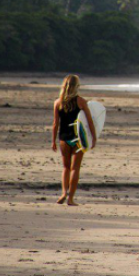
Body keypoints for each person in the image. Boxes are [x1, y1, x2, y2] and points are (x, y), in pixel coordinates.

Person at [51, 75, 96, 206]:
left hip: (64, 138)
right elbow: (89, 120)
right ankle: (70, 198)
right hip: (78, 139)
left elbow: (55, 124)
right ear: (76, 87)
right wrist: (93, 137)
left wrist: (53, 140)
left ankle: (64, 192)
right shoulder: (81, 101)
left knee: (65, 167)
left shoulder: (57, 102)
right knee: (75, 168)